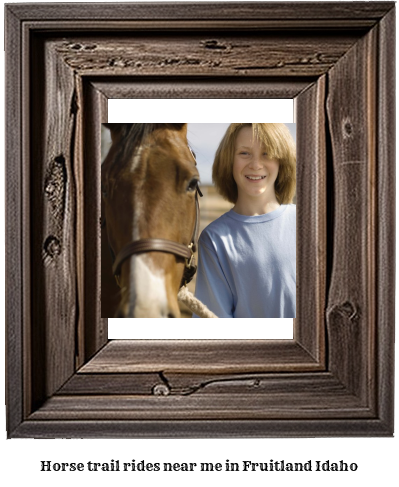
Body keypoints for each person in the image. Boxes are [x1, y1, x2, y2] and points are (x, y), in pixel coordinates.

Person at [193, 123, 296, 318]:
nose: (256, 164)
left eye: (267, 153)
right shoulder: (215, 240)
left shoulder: (309, 224)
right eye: (244, 153)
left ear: (282, 160)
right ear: (228, 161)